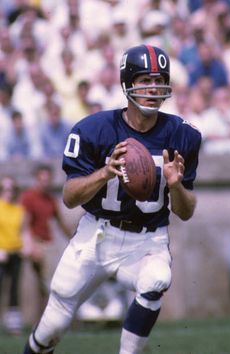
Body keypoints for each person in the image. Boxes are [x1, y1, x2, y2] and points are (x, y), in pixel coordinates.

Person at [22, 44, 201, 354]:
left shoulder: (183, 135)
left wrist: (175, 185)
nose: (153, 88)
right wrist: (104, 173)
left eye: (159, 80)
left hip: (148, 241)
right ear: (127, 83)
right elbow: (68, 197)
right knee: (52, 327)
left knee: (157, 278)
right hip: (97, 235)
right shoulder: (94, 130)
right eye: (144, 80)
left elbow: (185, 211)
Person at [20, 163, 71, 318]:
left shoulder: (50, 200)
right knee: (31, 288)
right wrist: (30, 245)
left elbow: (61, 222)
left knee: (47, 286)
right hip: (34, 244)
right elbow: (24, 225)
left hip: (47, 244)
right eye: (42, 179)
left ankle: (44, 321)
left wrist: (73, 239)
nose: (45, 182)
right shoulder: (29, 197)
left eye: (47, 179)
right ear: (37, 179)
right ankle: (32, 320)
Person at [0, 175, 29, 335]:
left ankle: (13, 324)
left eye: (12, 189)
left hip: (15, 253)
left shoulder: (19, 209)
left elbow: (23, 231)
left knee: (14, 289)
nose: (8, 192)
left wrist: (25, 246)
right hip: (1, 253)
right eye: (5, 189)